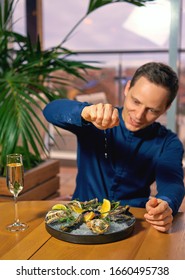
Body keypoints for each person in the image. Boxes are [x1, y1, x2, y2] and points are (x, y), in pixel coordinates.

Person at [43, 62, 185, 233]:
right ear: (127, 88)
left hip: (133, 221)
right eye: (136, 101)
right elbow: (51, 110)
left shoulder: (169, 143)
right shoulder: (95, 119)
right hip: (81, 222)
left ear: (166, 108)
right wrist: (84, 112)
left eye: (152, 110)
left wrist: (165, 204)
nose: (139, 115)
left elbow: (172, 183)